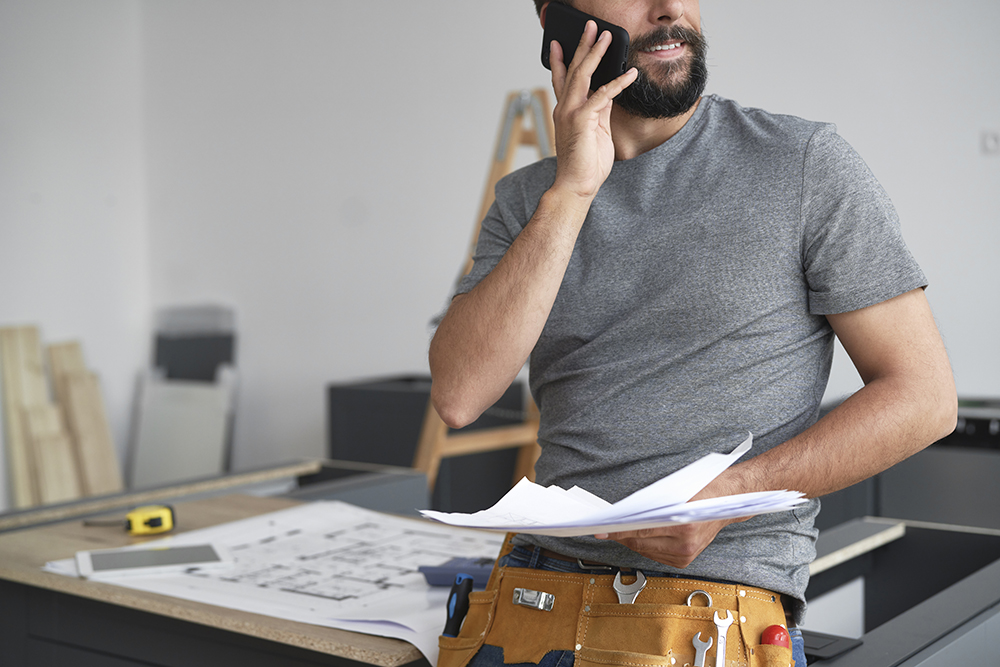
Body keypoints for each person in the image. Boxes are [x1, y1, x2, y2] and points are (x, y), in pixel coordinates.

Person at [428, 2, 957, 666]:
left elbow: (925, 398)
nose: (671, 9)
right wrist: (571, 192)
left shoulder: (805, 165)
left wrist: (734, 495)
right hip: (530, 590)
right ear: (556, 22)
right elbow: (458, 393)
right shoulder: (527, 200)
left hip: (711, 611)